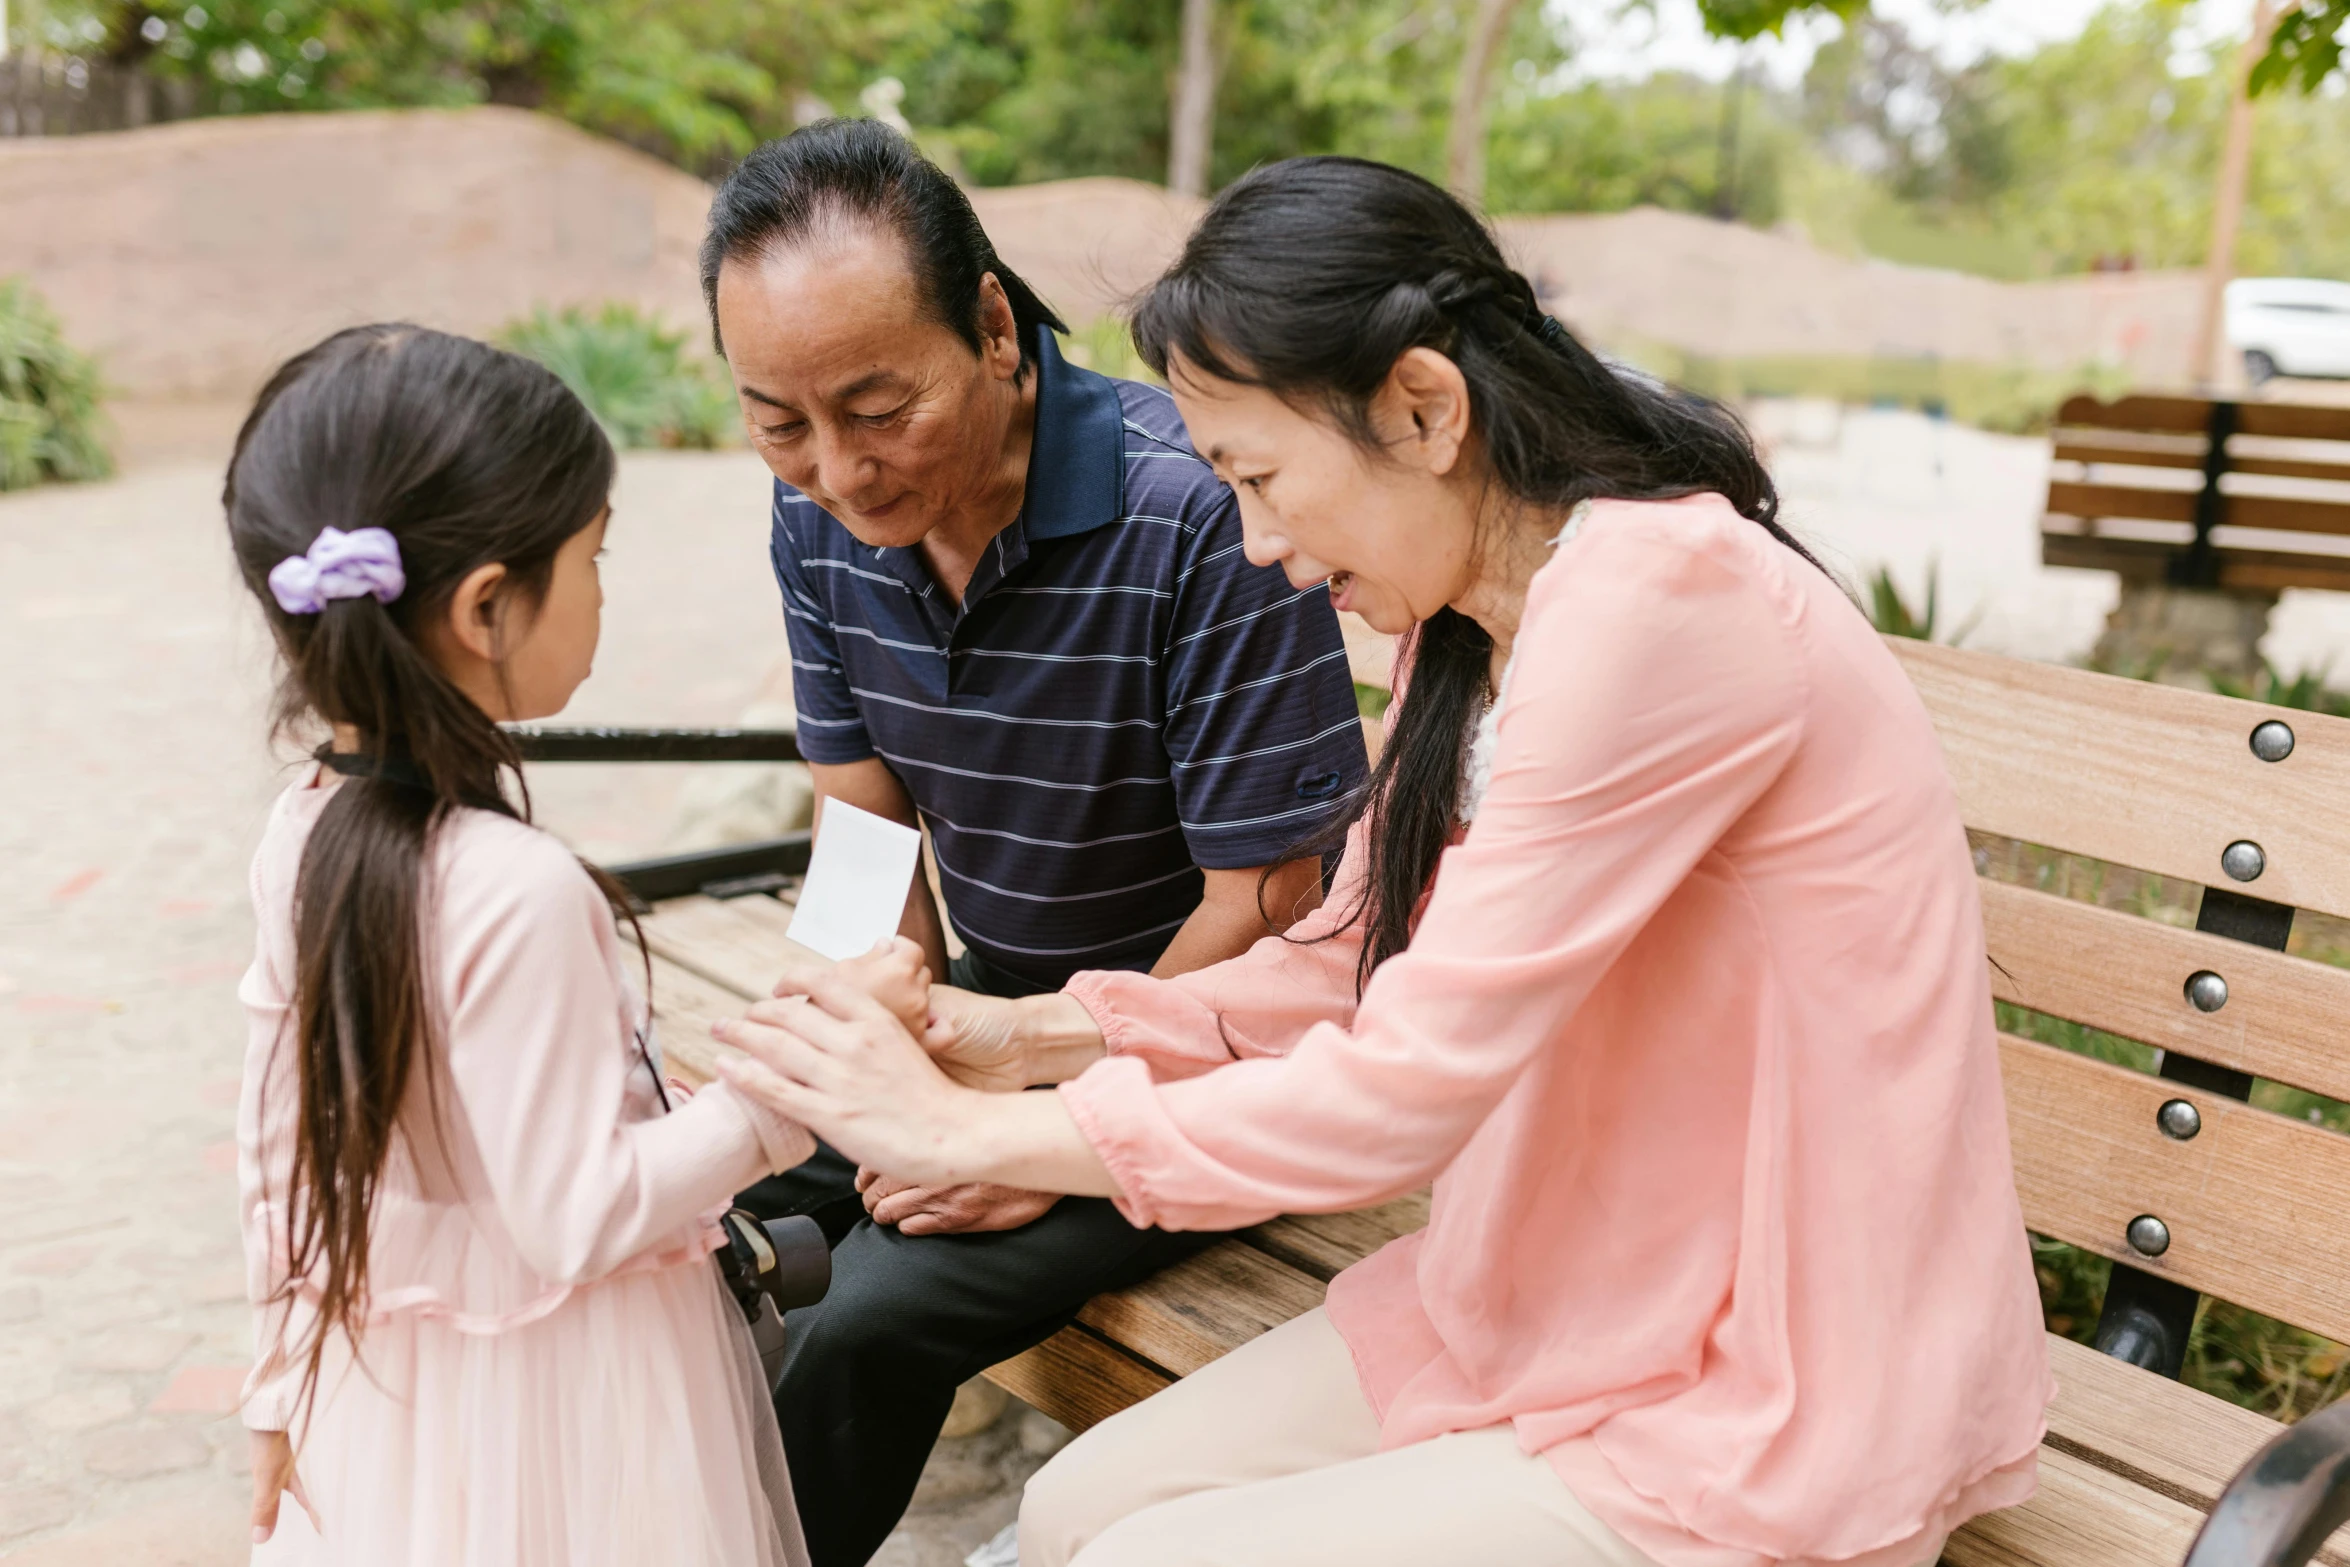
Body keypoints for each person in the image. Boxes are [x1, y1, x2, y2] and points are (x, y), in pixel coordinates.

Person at [712, 155, 2054, 1567]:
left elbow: (1395, 1080)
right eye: (779, 423)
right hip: (1561, 1287)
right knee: (1060, 1511)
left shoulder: (1659, 605)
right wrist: (1016, 1030)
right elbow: (1346, 958)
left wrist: (979, 1133)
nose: (1258, 539)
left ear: (1423, 408)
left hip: (1766, 1367)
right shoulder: (1470, 622)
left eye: (1261, 476)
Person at [698, 122, 1368, 1565]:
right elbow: (866, 824)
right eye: (779, 421)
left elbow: (1267, 907)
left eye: (878, 407)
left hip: (1208, 1065)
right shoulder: (815, 519)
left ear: (994, 326)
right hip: (977, 1011)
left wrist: (1043, 1131)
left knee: (866, 1315)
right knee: (686, 1199)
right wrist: (855, 1032)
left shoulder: (1192, 513)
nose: (838, 469)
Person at [229, 325, 814, 1567]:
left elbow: (276, 1144)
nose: (602, 589)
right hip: (578, 1388)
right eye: (592, 558)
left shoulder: (303, 824)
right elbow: (579, 1216)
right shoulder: (518, 885)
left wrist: (282, 1378)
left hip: (404, 1384)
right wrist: (780, 1092)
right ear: (487, 605)